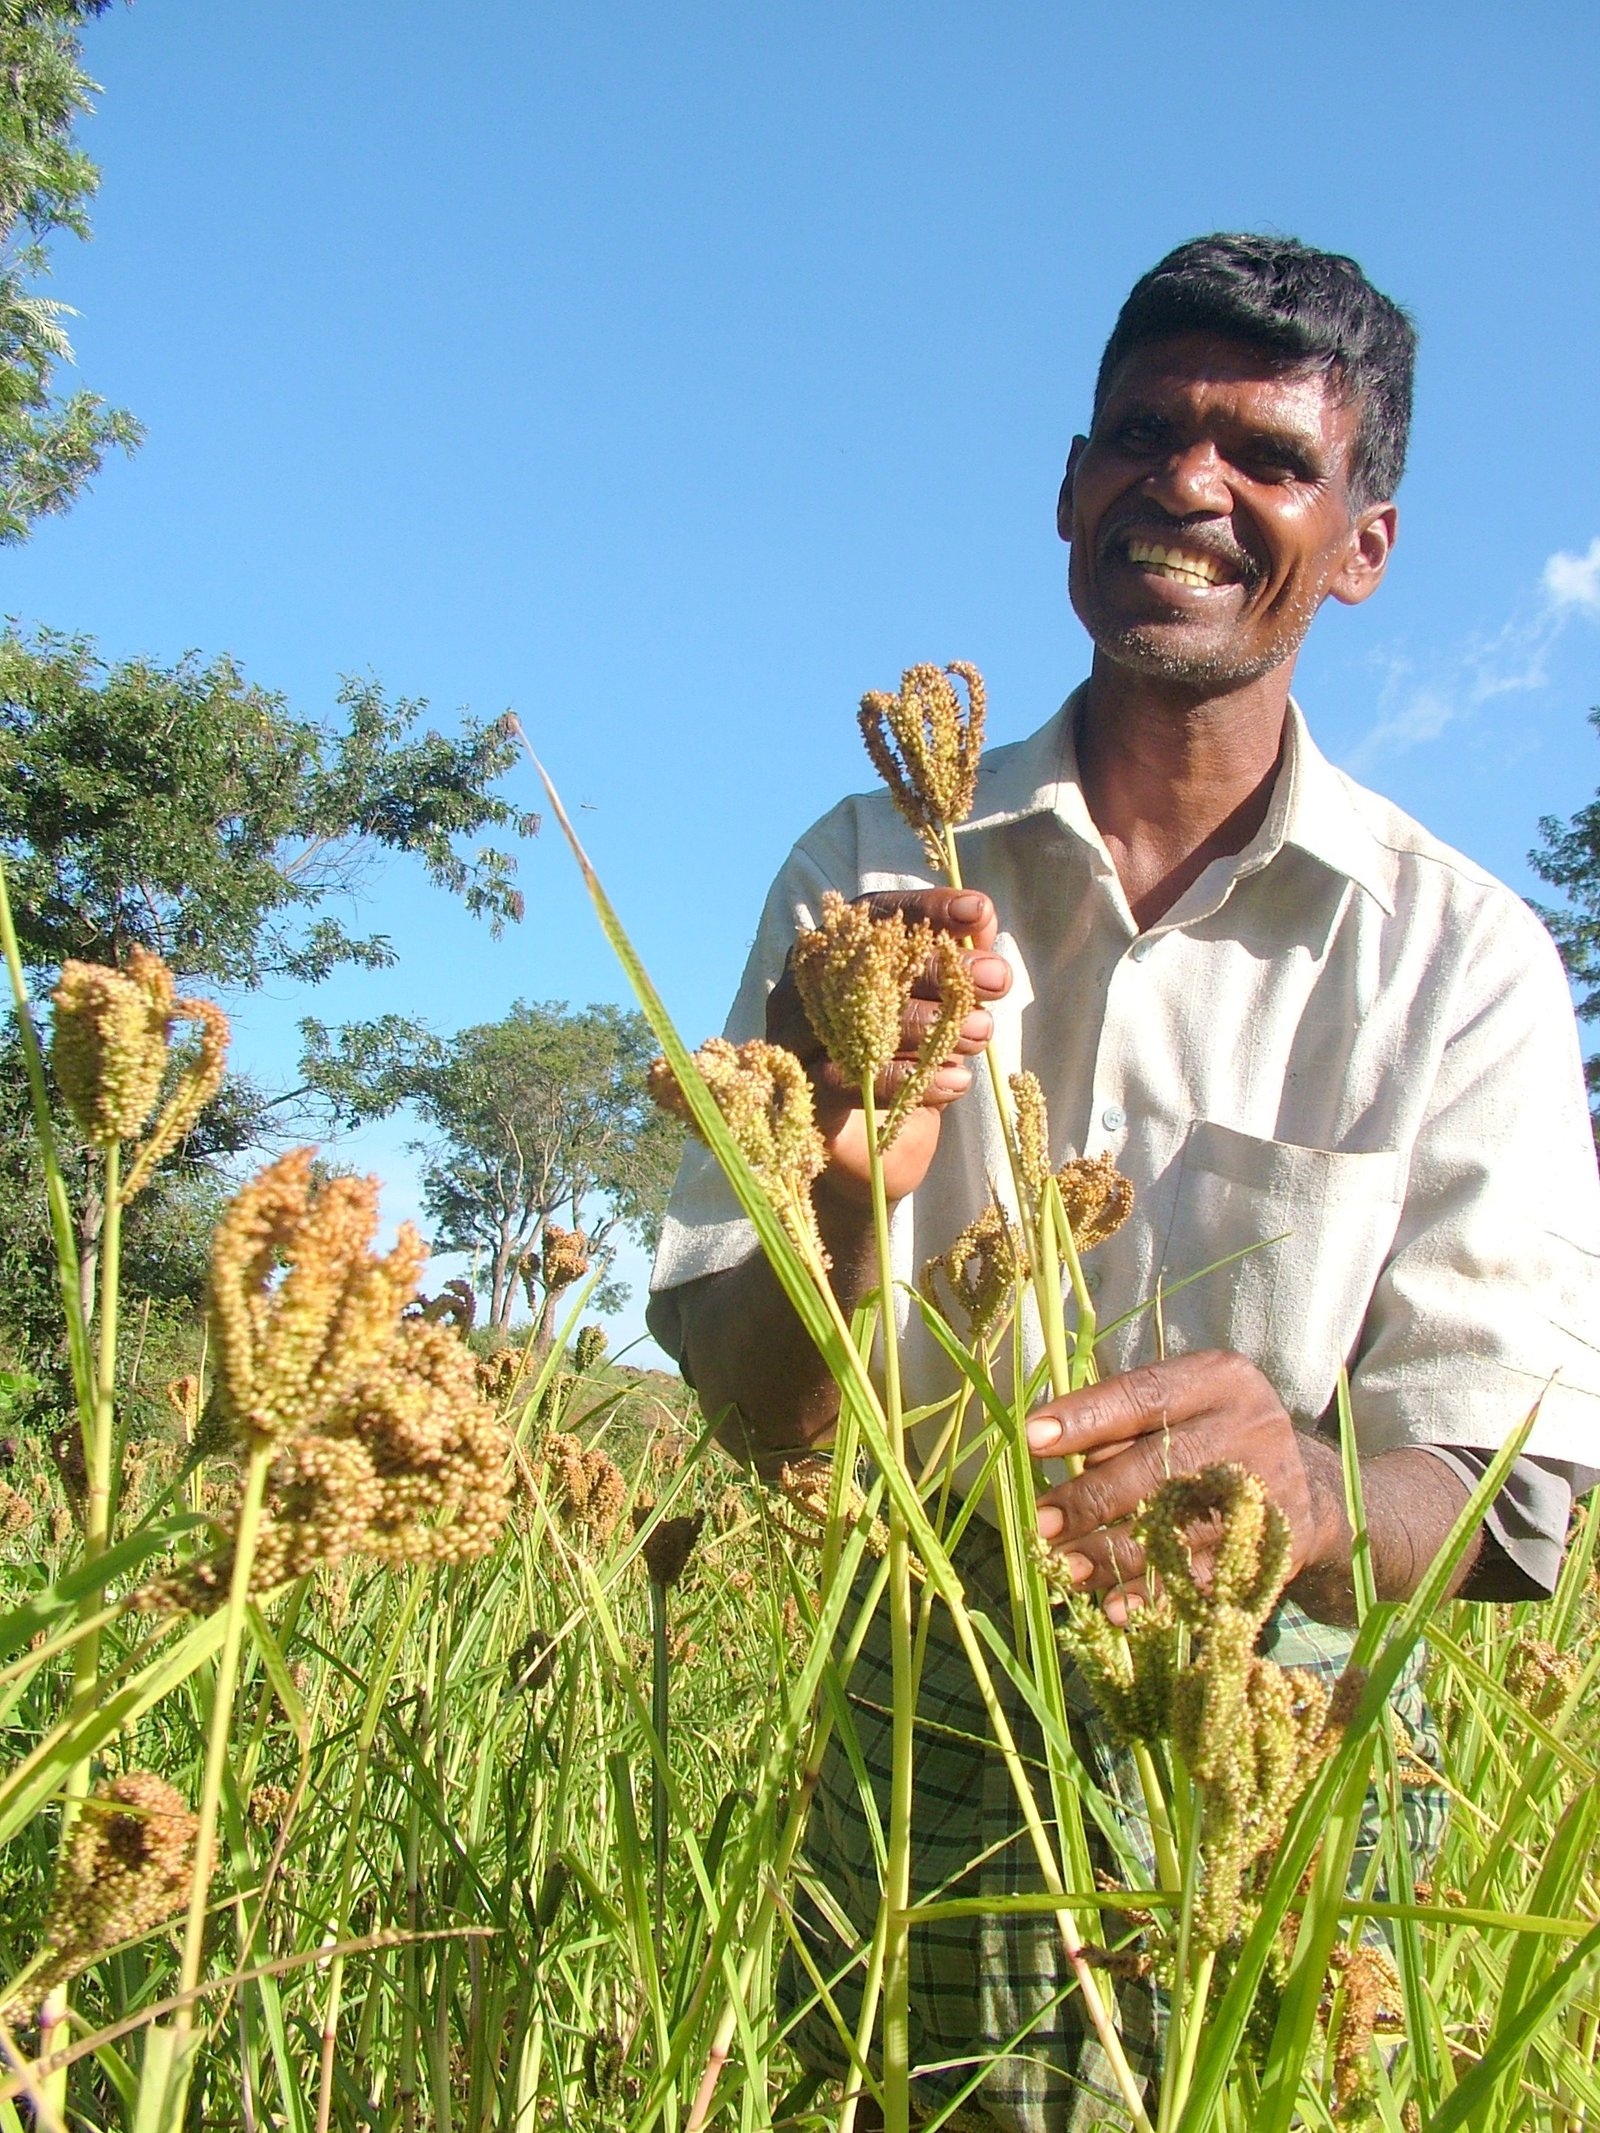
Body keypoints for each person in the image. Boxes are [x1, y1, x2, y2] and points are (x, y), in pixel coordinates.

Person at [647, 234, 1600, 2129]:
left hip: (1283, 1717)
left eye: (1267, 455)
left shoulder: (1459, 954)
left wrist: (1305, 1491)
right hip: (915, 1698)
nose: (1191, 484)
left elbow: (1517, 1493)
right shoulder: (865, 870)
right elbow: (766, 1419)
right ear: (1070, 490)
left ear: (1364, 542)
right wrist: (846, 1187)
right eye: (1146, 436)